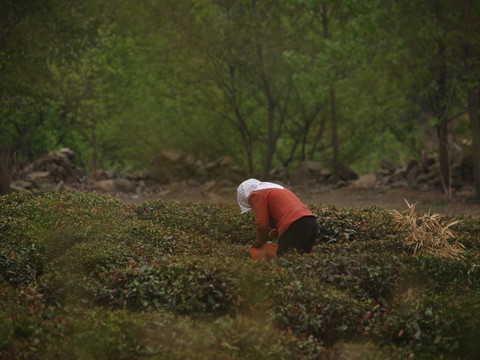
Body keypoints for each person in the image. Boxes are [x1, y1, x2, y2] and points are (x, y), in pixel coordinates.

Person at [237, 178, 318, 256]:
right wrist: (273, 233)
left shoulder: (255, 194)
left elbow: (262, 224)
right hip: (311, 222)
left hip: (295, 224)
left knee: (283, 262)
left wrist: (260, 242)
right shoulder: (275, 188)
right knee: (301, 262)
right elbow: (281, 213)